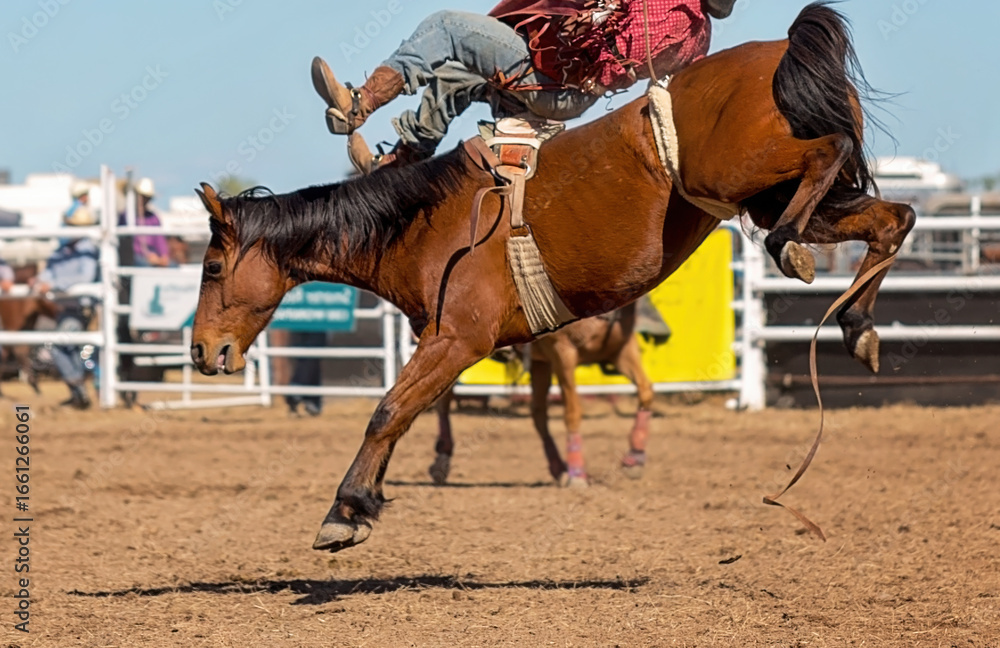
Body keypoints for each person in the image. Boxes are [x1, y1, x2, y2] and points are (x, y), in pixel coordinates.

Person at [311, 0, 737, 174]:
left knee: (447, 29)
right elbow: (672, 90)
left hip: (545, 75)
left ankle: (359, 103)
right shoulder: (698, 41)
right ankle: (401, 164)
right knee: (455, 76)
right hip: (573, 98)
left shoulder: (663, 3)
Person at [30, 189, 101, 409]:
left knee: (61, 347)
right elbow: (49, 271)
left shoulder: (87, 250)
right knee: (66, 348)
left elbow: (84, 277)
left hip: (81, 309)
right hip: (67, 309)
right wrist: (39, 280)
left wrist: (52, 284)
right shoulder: (63, 251)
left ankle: (79, 391)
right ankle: (79, 393)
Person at [120, 178, 170, 268]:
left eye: (147, 198)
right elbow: (129, 245)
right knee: (141, 264)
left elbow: (160, 240)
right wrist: (148, 256)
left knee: (174, 266)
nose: (144, 200)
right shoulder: (127, 216)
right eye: (142, 197)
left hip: (153, 258)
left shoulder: (154, 218)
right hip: (137, 259)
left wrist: (163, 256)